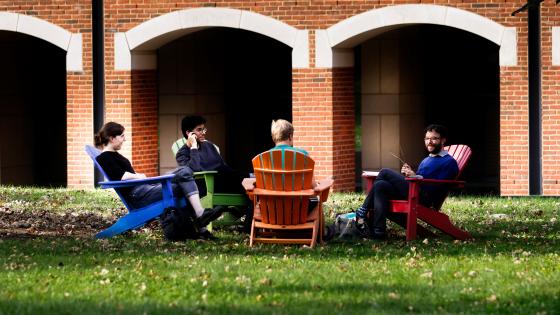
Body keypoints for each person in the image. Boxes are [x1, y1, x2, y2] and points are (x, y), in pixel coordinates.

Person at [94, 122, 223, 237]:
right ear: (112, 138)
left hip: (145, 189)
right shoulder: (104, 157)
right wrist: (139, 176)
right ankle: (201, 219)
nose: (124, 139)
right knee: (184, 177)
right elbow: (122, 176)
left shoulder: (113, 155)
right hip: (139, 196)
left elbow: (124, 174)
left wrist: (140, 177)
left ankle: (201, 223)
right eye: (122, 136)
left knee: (185, 174)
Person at [355, 124, 459, 240]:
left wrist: (416, 177)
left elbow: (436, 187)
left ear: (443, 140)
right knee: (380, 185)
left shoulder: (449, 162)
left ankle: (362, 210)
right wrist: (411, 175)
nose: (429, 142)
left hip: (426, 198)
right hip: (415, 191)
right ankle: (379, 231)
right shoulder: (427, 160)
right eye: (427, 138)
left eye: (434, 138)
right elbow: (420, 179)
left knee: (384, 172)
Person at [175, 115, 245, 195]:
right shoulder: (182, 154)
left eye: (203, 129)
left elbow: (223, 166)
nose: (203, 133)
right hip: (206, 187)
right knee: (247, 182)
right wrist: (194, 147)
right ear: (188, 133)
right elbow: (195, 169)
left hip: (223, 180)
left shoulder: (209, 145)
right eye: (199, 130)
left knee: (247, 179)